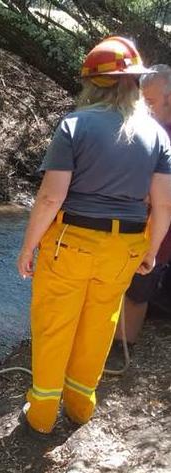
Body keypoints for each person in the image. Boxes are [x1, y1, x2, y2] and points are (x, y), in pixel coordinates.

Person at [16, 36, 171, 436]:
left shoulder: (74, 125)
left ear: (92, 83)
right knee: (99, 323)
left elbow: (51, 196)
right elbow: (163, 205)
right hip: (124, 247)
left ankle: (43, 414)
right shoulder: (157, 136)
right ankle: (81, 405)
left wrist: (29, 246)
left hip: (70, 241)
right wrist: (151, 250)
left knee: (54, 324)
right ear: (134, 83)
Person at [111, 64, 171, 353]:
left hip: (158, 230)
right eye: (141, 102)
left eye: (151, 102)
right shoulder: (139, 130)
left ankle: (123, 348)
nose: (144, 109)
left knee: (138, 288)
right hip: (125, 224)